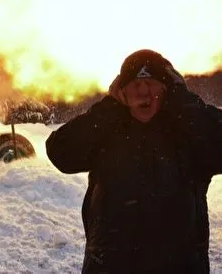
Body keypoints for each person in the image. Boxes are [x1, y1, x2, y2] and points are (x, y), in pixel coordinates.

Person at [45, 49, 222, 273]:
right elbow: (60, 152)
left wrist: (183, 102)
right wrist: (108, 107)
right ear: (122, 92)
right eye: (135, 84)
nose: (143, 92)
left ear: (167, 89)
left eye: (152, 83)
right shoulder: (107, 130)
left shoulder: (188, 133)